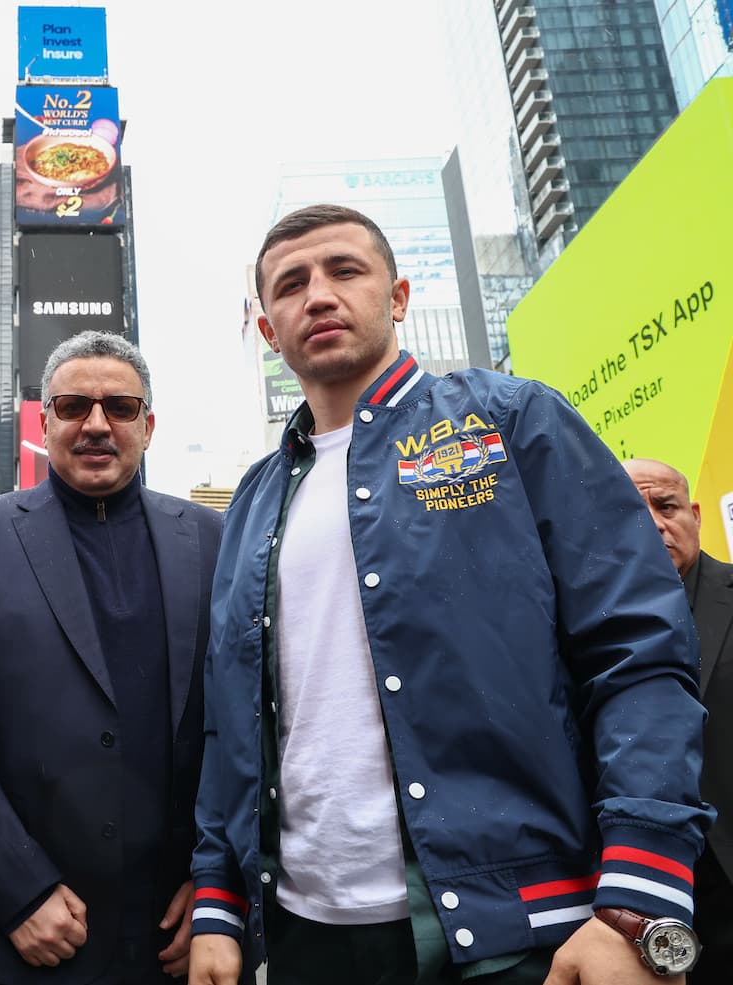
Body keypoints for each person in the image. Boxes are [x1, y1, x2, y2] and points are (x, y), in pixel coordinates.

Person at [188, 205, 711, 985]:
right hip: (306, 935)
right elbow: (229, 724)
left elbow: (636, 656)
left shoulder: (512, 421)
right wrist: (218, 904)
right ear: (268, 331)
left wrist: (636, 903)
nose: (318, 295)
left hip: (519, 932)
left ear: (398, 297)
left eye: (344, 270)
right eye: (290, 285)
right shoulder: (254, 500)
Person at [0, 330, 222, 985]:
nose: (96, 424)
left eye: (120, 407)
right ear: (45, 421)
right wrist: (19, 889)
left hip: (175, 934)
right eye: (73, 406)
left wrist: (216, 886)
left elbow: (235, 725)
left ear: (148, 425)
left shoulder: (210, 537)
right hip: (26, 935)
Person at [622, 457, 733, 983]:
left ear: (693, 514)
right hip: (653, 899)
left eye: (665, 507)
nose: (653, 524)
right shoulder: (578, 627)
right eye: (631, 510)